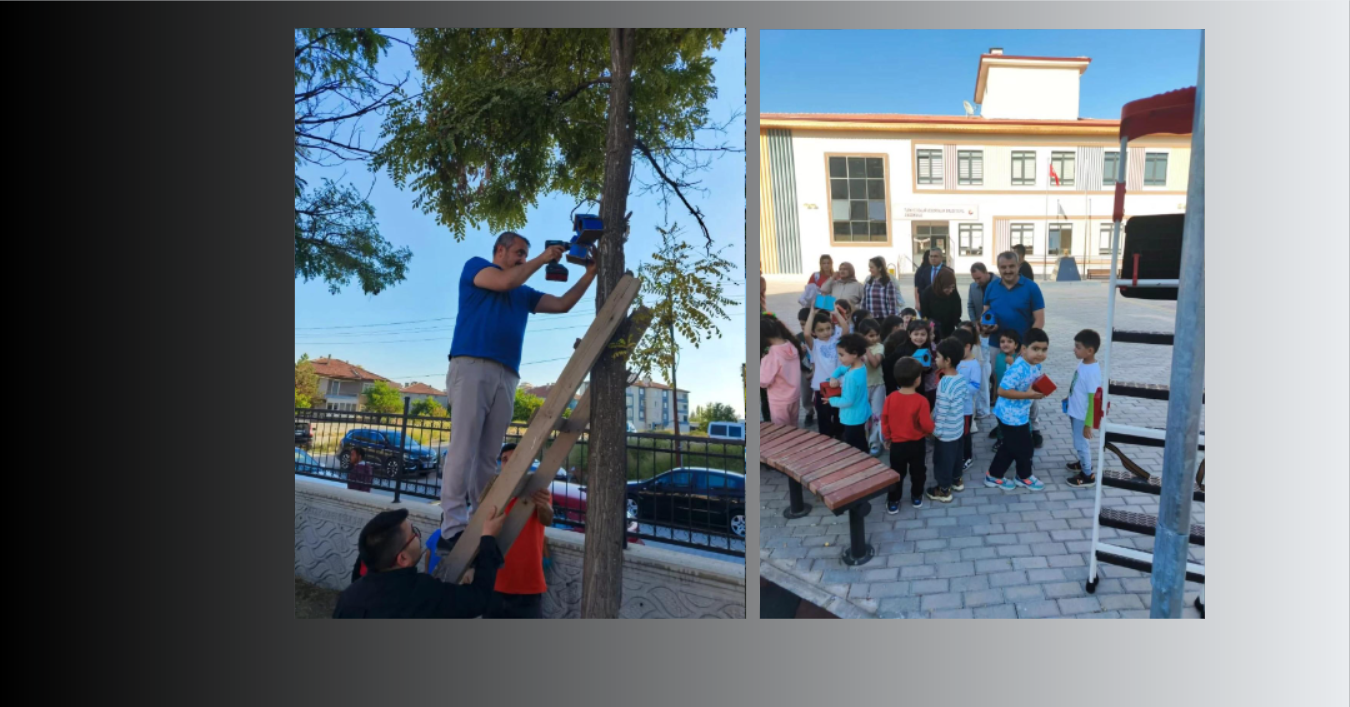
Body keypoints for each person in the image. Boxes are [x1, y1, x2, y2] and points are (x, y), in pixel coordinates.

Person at [438, 231, 598, 554]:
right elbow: (504, 282)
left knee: (487, 457)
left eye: (526, 254)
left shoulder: (523, 293)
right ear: (500, 250)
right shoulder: (477, 268)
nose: (523, 258)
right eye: (519, 253)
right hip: (471, 365)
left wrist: (590, 275)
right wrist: (543, 258)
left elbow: (563, 304)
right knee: (463, 448)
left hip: (508, 375)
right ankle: (451, 528)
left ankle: (479, 521)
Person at [333, 505, 507, 619]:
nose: (418, 536)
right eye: (413, 533)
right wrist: (488, 539)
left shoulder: (349, 598)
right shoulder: (421, 594)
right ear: (403, 558)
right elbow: (478, 600)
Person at [980, 250, 1047, 448]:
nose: (1007, 270)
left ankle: (1033, 427)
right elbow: (986, 316)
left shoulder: (1031, 288)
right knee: (1001, 386)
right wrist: (986, 327)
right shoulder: (992, 287)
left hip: (1023, 350)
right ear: (998, 268)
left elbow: (1039, 320)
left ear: (1018, 266)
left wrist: (1025, 348)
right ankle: (1003, 425)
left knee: (1029, 387)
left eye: (1011, 266)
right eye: (1003, 267)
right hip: (997, 347)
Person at [483, 443, 554, 618]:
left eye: (513, 458)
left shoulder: (537, 490)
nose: (508, 463)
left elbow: (548, 519)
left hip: (528, 585)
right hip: (494, 582)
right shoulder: (494, 492)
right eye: (504, 459)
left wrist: (543, 505)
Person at [985, 328, 1050, 492]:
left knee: (1019, 446)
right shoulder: (1017, 368)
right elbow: (1001, 391)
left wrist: (1039, 390)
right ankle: (997, 476)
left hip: (1020, 414)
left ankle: (1020, 475)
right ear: (1024, 349)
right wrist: (1027, 394)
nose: (1040, 353)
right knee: (1018, 448)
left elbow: (1032, 383)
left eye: (1044, 349)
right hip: (1009, 415)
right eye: (1035, 349)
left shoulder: (1035, 365)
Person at [882, 357, 933, 512]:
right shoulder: (921, 401)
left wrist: (888, 436)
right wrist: (930, 431)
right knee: (918, 472)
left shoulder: (890, 398)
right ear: (918, 379)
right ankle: (916, 496)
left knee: (896, 473)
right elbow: (926, 424)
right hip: (917, 444)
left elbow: (885, 419)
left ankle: (893, 501)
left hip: (897, 445)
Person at [927, 337, 969, 504]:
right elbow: (965, 399)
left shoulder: (945, 383)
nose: (935, 360)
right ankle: (957, 480)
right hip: (957, 428)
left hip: (945, 433)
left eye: (938, 357)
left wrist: (935, 430)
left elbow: (942, 410)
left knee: (943, 461)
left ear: (948, 360)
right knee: (957, 456)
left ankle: (943, 490)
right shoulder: (960, 378)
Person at [1064, 329, 1104, 488]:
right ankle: (1082, 463)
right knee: (1079, 442)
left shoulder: (1092, 372)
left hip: (1082, 415)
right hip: (1076, 410)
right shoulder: (1083, 363)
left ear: (1090, 351)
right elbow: (1077, 383)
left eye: (1078, 347)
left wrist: (1089, 424)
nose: (1074, 349)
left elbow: (1094, 400)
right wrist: (1069, 397)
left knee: (1081, 444)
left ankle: (1088, 475)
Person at [803, 305, 847, 438]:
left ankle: (840, 440)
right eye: (820, 330)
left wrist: (836, 314)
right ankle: (826, 441)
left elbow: (846, 329)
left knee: (839, 415)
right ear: (814, 332)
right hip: (821, 387)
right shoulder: (814, 344)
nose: (825, 332)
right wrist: (811, 314)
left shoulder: (836, 340)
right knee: (824, 417)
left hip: (838, 385)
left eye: (828, 328)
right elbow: (805, 334)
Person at [827, 333, 871, 453]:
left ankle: (862, 467)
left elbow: (847, 401)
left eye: (841, 355)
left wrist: (831, 400)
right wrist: (833, 377)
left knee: (855, 447)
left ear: (855, 354)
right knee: (861, 440)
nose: (839, 358)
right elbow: (841, 369)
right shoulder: (860, 367)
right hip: (861, 413)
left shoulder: (851, 377)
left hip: (852, 418)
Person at [760, 315, 803, 427]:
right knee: (794, 428)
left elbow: (763, 381)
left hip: (779, 400)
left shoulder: (772, 355)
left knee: (782, 431)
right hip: (795, 396)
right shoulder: (792, 345)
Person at [953, 328, 983, 471]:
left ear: (967, 346)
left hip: (965, 409)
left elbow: (975, 386)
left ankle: (967, 457)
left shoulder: (974, 365)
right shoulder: (957, 360)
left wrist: (957, 388)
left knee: (965, 434)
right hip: (954, 407)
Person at [857, 319, 886, 455]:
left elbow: (875, 363)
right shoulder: (855, 348)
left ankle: (875, 443)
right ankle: (863, 441)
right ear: (862, 336)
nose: (875, 338)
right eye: (871, 335)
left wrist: (866, 349)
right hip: (861, 386)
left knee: (876, 415)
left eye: (876, 335)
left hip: (877, 385)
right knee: (862, 415)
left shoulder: (879, 347)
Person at [896, 318, 938, 410]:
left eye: (923, 334)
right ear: (909, 334)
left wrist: (927, 369)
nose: (919, 337)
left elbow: (928, 367)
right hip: (905, 386)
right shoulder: (902, 349)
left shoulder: (927, 347)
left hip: (920, 385)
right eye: (916, 334)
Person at [919, 268, 963, 341]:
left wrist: (958, 324)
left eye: (952, 287)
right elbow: (924, 314)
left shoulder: (953, 293)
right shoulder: (928, 292)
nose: (950, 290)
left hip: (949, 329)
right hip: (933, 329)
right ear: (941, 284)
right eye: (947, 288)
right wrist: (930, 326)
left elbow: (957, 311)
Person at [863, 256, 903, 320]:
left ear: (880, 268)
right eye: (869, 267)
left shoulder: (888, 283)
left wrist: (890, 319)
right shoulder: (868, 282)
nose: (869, 270)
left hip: (884, 318)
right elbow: (864, 301)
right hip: (870, 318)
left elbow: (892, 304)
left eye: (872, 267)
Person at [796, 307, 816, 426]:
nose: (803, 327)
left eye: (805, 324)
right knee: (806, 394)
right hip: (804, 370)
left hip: (818, 370)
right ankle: (809, 411)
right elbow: (793, 357)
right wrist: (800, 352)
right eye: (801, 324)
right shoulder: (798, 337)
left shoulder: (819, 335)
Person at [913, 248, 948, 314]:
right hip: (927, 305)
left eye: (935, 256)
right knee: (929, 323)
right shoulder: (924, 271)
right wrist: (918, 302)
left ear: (941, 258)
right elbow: (918, 288)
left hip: (942, 306)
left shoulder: (947, 271)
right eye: (931, 256)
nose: (933, 258)